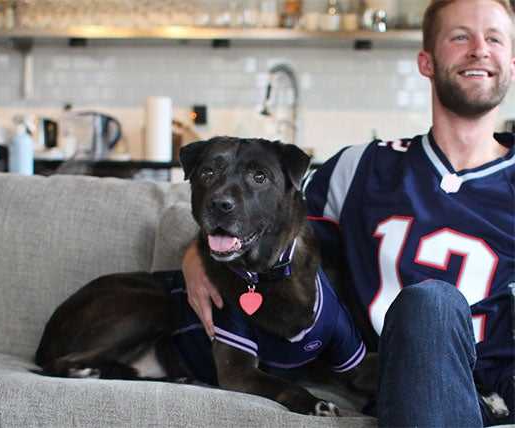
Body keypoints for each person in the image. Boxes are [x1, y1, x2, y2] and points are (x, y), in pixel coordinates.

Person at [181, 0, 515, 426]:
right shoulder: (360, 167)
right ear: (426, 62)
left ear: (512, 62)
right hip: (397, 386)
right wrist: (198, 254)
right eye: (460, 36)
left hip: (495, 390)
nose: (479, 49)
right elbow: (274, 235)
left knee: (435, 302)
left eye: (494, 38)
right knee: (430, 303)